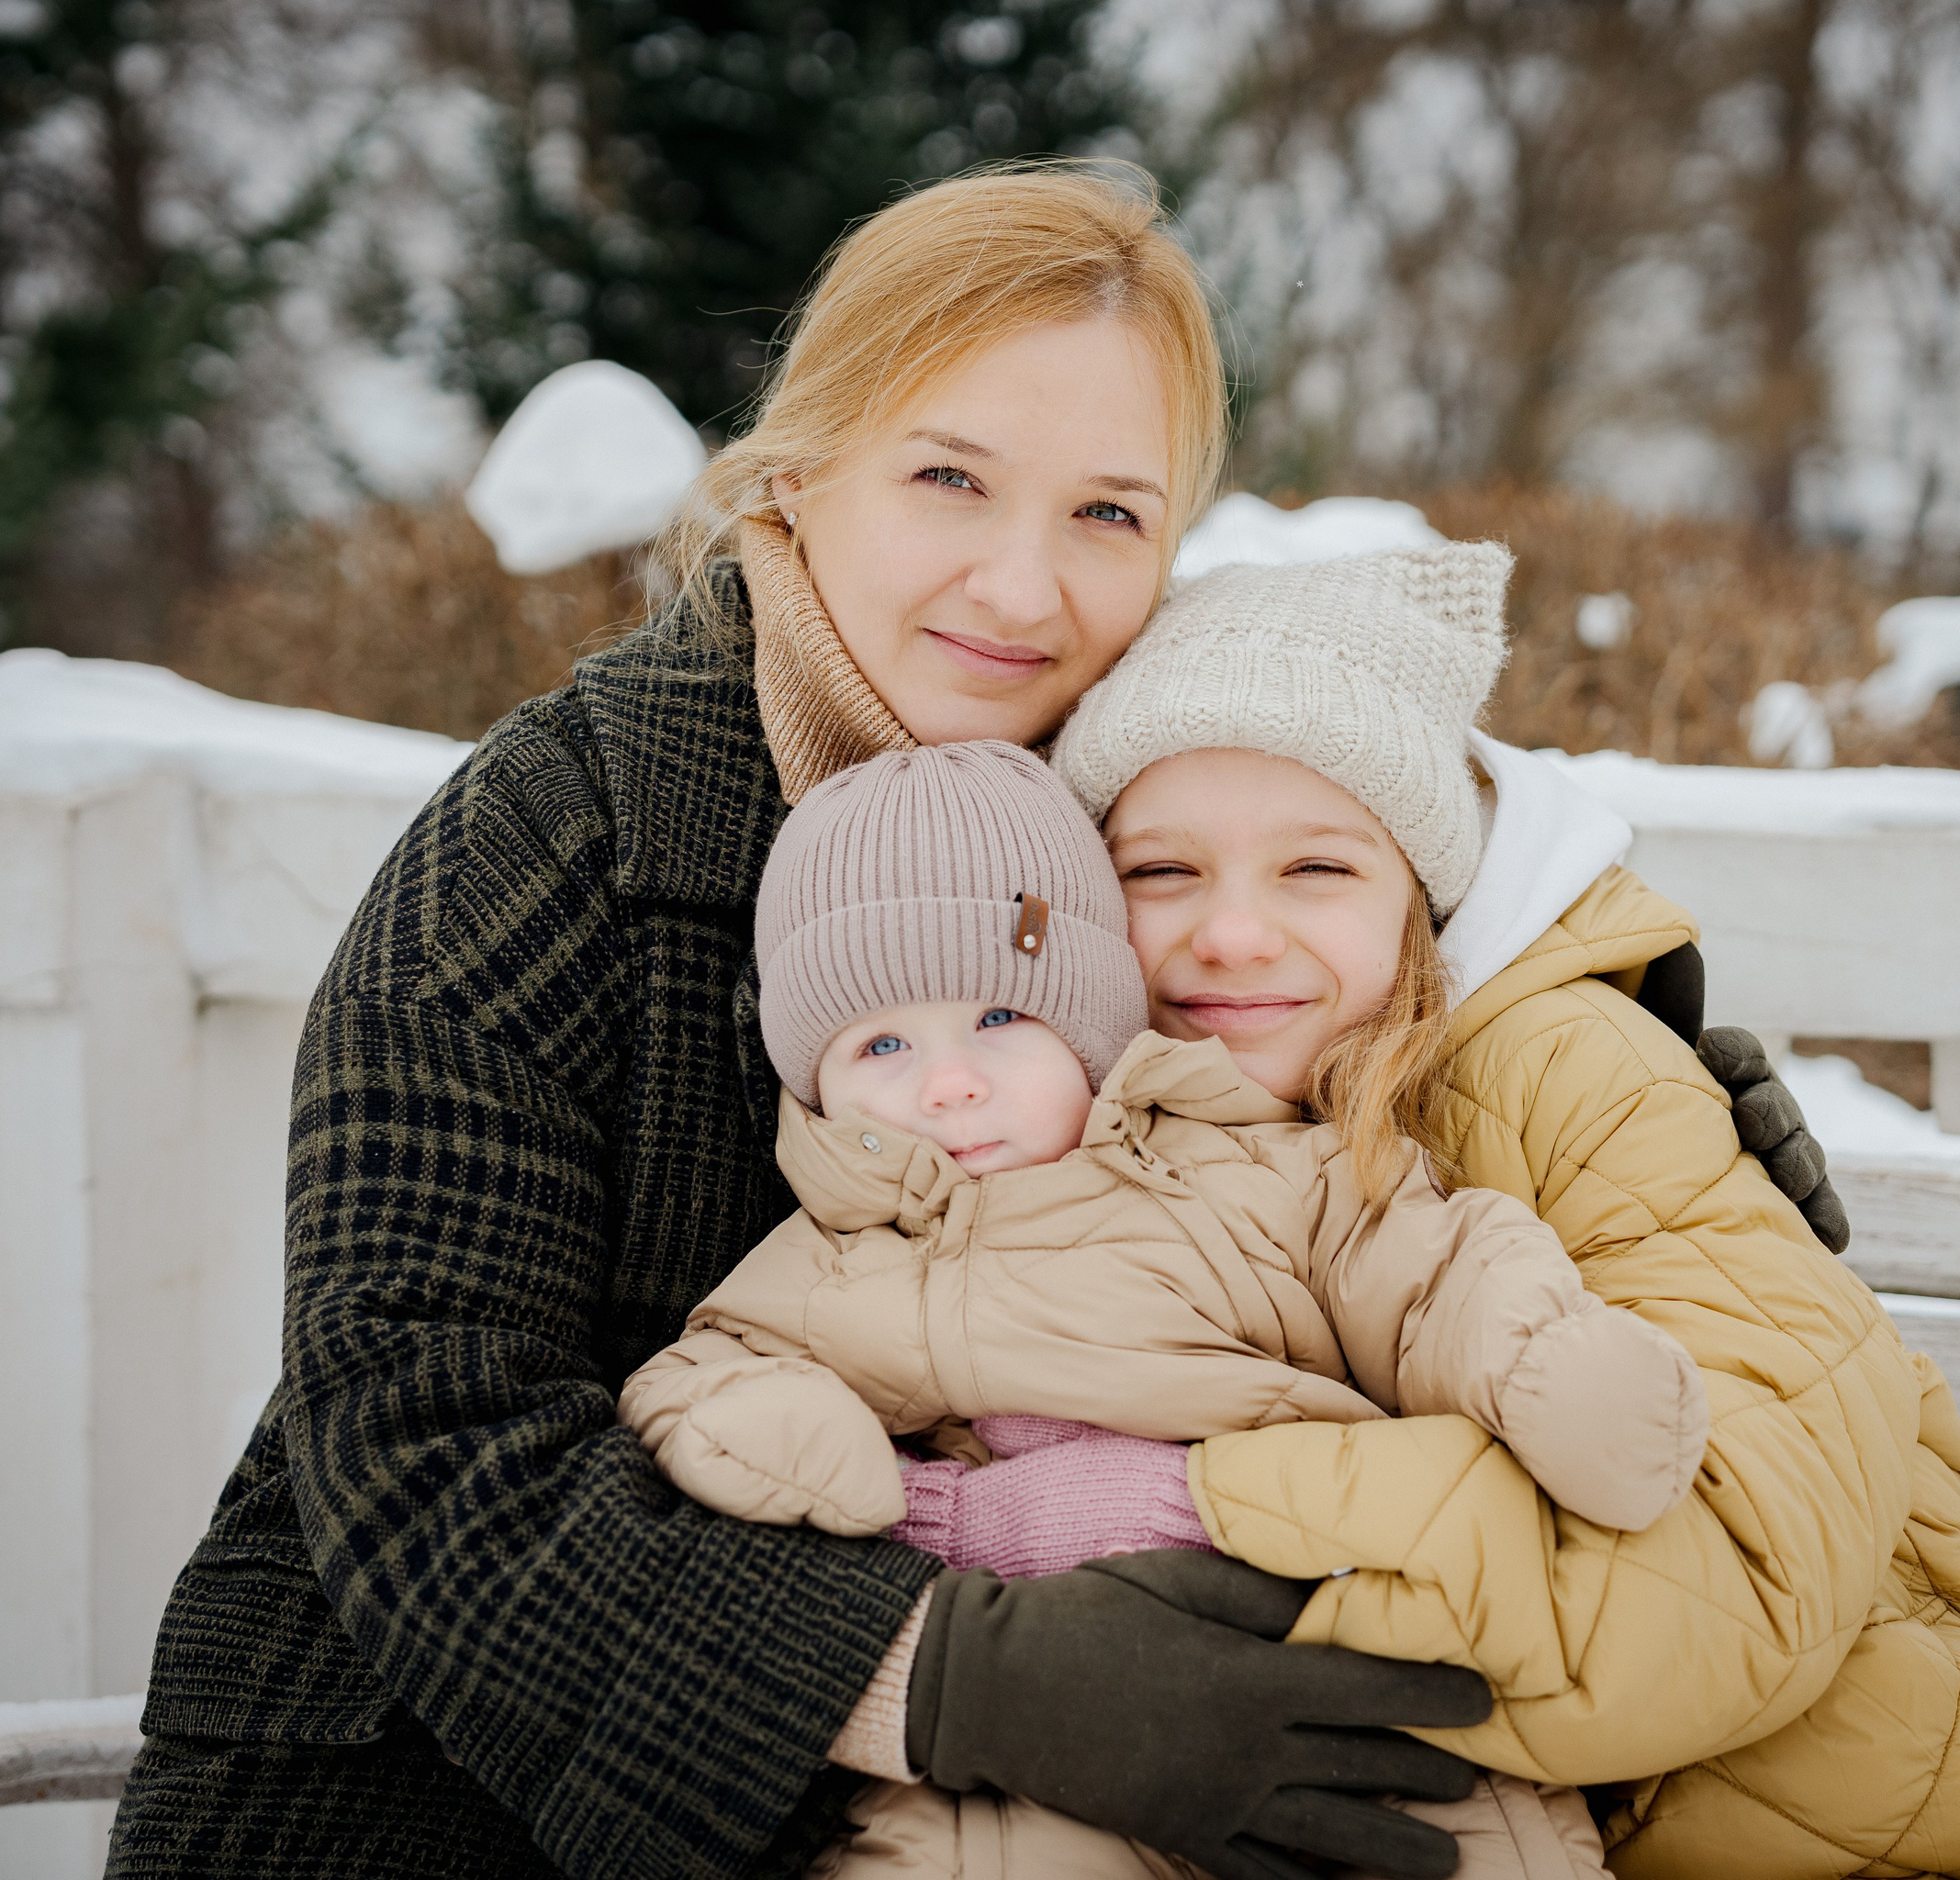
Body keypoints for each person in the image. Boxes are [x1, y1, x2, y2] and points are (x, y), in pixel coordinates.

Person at [106, 162, 1844, 1880]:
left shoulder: (1091, 809)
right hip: (420, 1784)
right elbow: (411, 1428)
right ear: (799, 470)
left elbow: (1325, 1017)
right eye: (951, 476)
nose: (1024, 590)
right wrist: (940, 1674)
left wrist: (1616, 1064)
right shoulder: (555, 835)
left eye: (1110, 513)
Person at [1029, 547, 1960, 1876]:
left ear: (1424, 897)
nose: (1232, 935)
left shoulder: (1571, 1066)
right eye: (1161, 873)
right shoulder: (1089, 1134)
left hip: (1911, 1813)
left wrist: (1184, 1570)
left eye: (1316, 869)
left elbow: (1748, 1564)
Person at [621, 733, 1705, 1878]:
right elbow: (707, 1372)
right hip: (1033, 1728)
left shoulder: (1249, 1166)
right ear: (815, 1081)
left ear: (1090, 1018)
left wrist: (1539, 1360)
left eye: (999, 1017)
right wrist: (786, 1436)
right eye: (883, 1042)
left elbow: (1427, 1266)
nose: (951, 1081)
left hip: (1327, 1660)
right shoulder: (833, 1258)